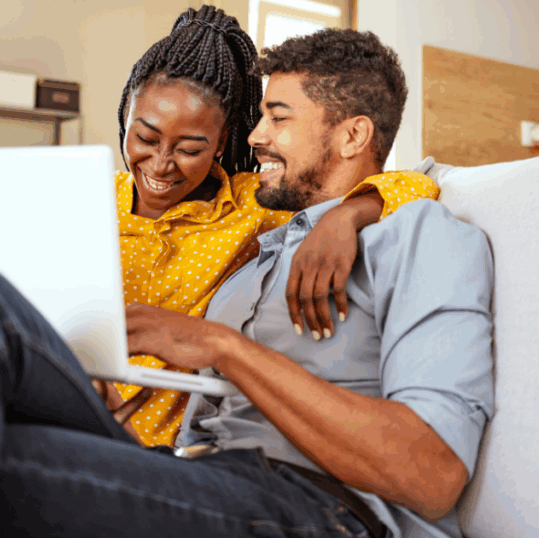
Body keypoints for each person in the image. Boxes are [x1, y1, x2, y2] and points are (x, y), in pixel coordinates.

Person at [0, 28, 493, 538]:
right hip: (185, 465)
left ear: (350, 136)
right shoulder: (266, 251)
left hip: (322, 509)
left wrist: (217, 342)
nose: (253, 137)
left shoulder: (423, 236)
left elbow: (431, 476)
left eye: (276, 116)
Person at [103, 5, 439, 446]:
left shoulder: (253, 204)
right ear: (126, 113)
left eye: (189, 148)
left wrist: (349, 214)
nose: (161, 165)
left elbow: (420, 182)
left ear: (222, 141)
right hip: (61, 401)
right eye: (145, 138)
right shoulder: (85, 198)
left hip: (151, 445)